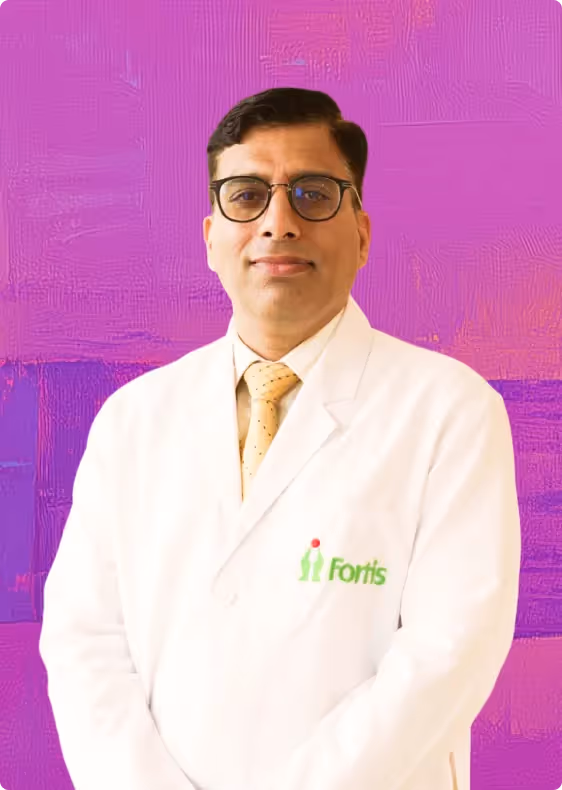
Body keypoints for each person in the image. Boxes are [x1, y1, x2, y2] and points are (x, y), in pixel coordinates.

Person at [38, 87, 521, 790]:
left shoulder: (449, 409)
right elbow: (84, 641)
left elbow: (450, 653)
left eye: (313, 194)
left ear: (362, 233)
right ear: (211, 238)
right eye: (246, 196)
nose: (278, 223)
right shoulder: (133, 419)